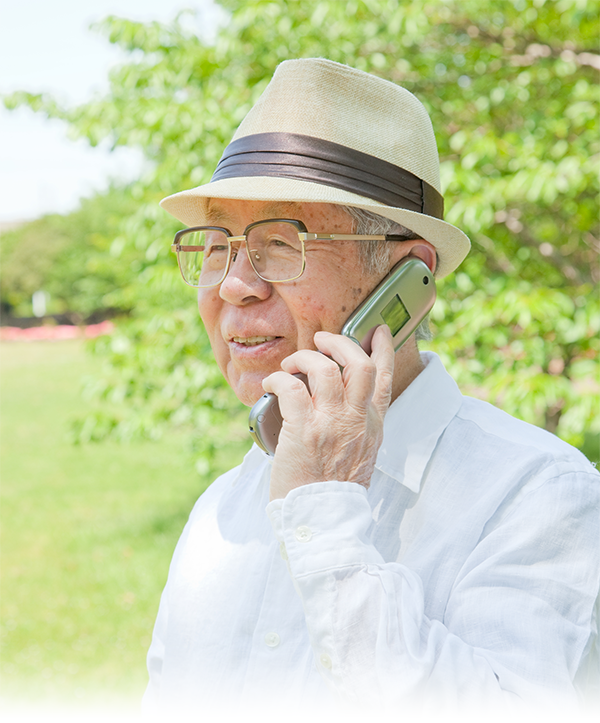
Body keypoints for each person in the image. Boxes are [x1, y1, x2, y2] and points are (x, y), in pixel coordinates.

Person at [143, 58, 600, 716]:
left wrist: (324, 514)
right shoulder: (219, 512)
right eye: (216, 244)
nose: (233, 283)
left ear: (405, 279)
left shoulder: (537, 490)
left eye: (280, 240)